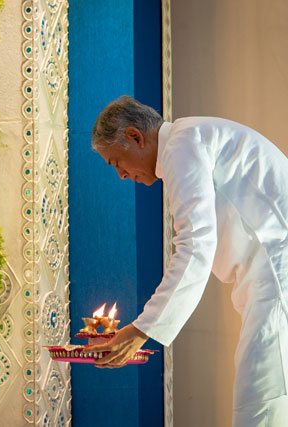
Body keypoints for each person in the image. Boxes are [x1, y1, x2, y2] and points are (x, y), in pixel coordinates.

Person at [86, 95, 288, 426]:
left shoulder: (181, 143)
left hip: (277, 278)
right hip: (269, 277)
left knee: (261, 403)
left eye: (116, 162)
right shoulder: (190, 138)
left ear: (136, 136)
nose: (121, 175)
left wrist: (141, 329)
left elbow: (196, 244)